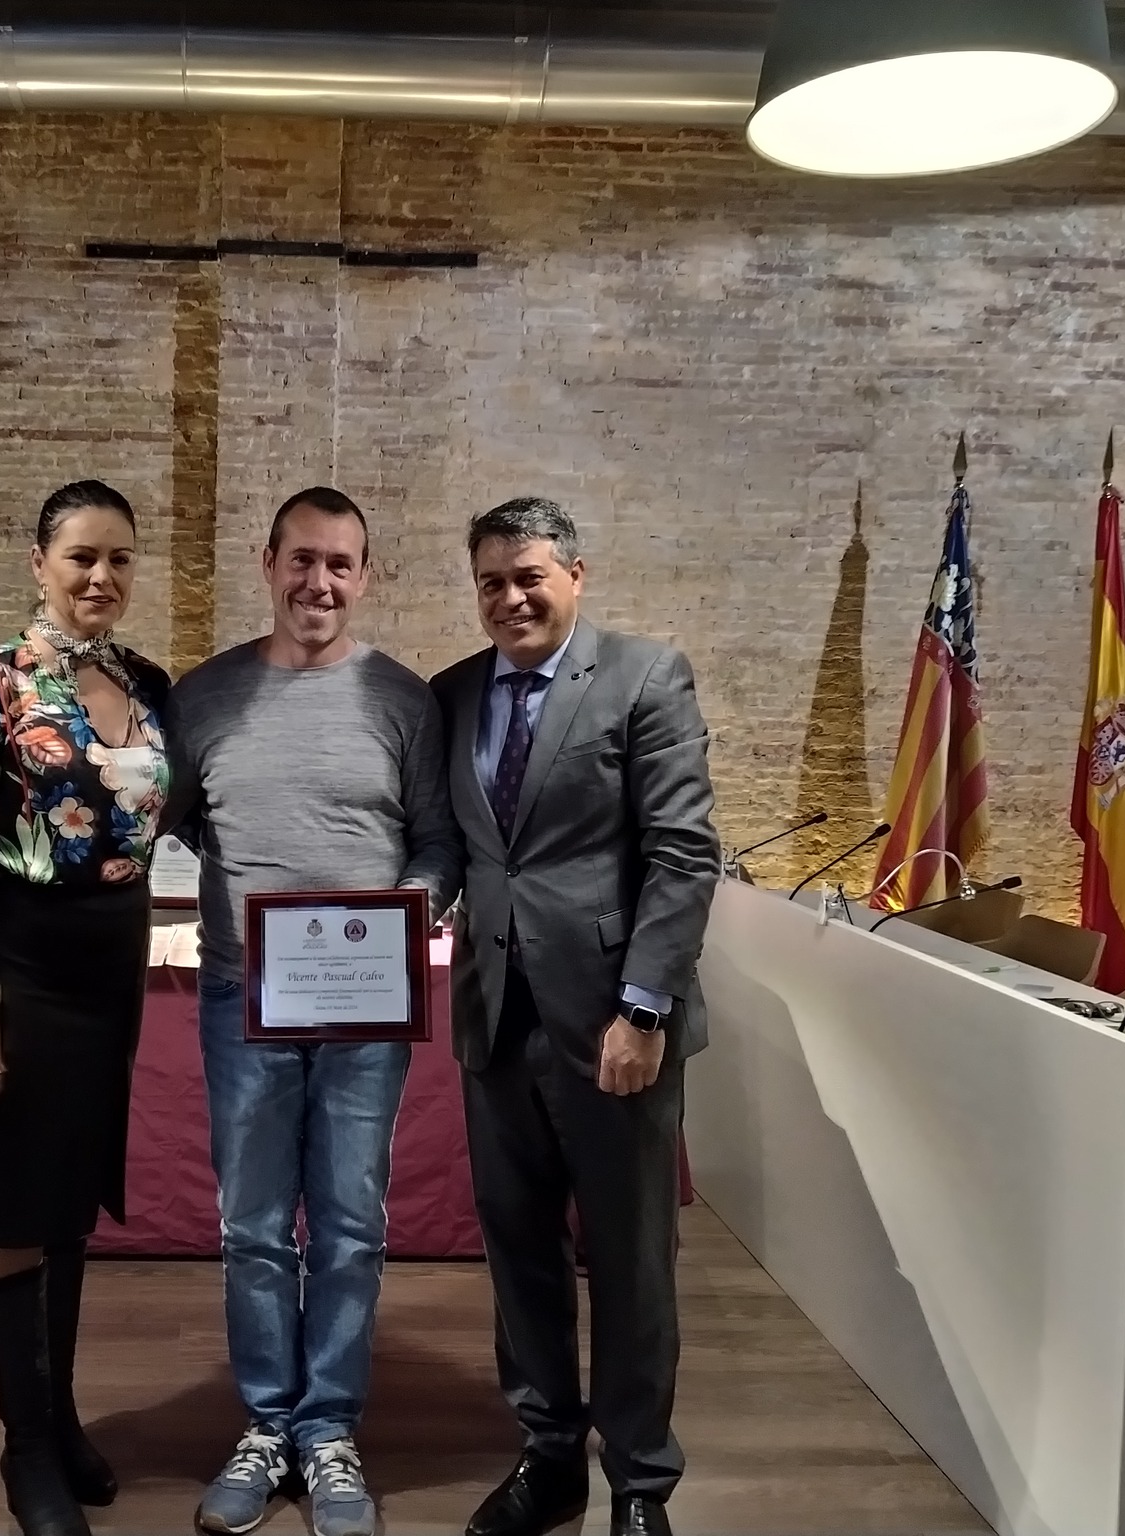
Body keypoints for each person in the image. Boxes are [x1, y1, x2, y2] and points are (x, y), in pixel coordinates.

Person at [166, 487, 461, 1536]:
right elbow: (177, 821)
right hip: (240, 995)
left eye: (340, 563)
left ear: (364, 576)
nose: (318, 582)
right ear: (268, 563)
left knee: (347, 1225)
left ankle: (328, 1430)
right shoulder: (202, 697)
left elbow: (437, 841)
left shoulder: (402, 700)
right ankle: (265, 1424)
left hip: (364, 1006)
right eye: (301, 559)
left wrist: (392, 918)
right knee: (251, 1225)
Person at [429, 498, 719, 1536]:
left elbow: (683, 854)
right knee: (519, 1253)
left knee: (630, 1261)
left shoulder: (644, 676)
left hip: (613, 1029)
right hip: (493, 1020)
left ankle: (639, 1482)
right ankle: (548, 1455)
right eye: (491, 583)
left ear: (574, 575)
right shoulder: (452, 693)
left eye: (529, 578)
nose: (510, 598)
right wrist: (389, 913)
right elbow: (454, 849)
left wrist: (643, 1007)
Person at [0, 480, 172, 1536]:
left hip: (110, 972)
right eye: (81, 558)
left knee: (65, 1200)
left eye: (119, 558)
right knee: (13, 1203)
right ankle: (24, 1447)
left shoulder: (145, 684)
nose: (101, 577)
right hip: (20, 966)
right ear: (39, 564)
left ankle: (58, 1420)